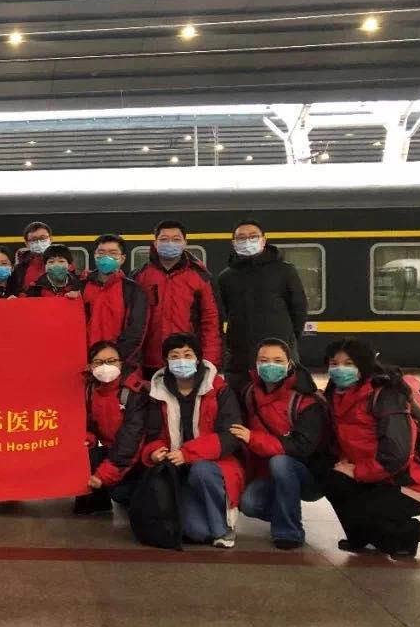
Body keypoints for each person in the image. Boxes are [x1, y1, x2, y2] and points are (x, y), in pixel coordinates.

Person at [322, 337, 420, 557]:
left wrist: (357, 472)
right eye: (334, 364)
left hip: (407, 483)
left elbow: (397, 454)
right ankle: (360, 538)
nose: (339, 369)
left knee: (365, 512)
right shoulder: (336, 396)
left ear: (364, 365)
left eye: (348, 364)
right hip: (374, 477)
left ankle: (409, 534)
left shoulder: (385, 396)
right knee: (333, 480)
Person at [140, 333, 244, 548]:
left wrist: (187, 454)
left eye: (187, 355)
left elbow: (230, 435)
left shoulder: (219, 389)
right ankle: (205, 519)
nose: (181, 360)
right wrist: (154, 451)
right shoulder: (157, 391)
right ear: (166, 361)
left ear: (198, 359)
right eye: (174, 356)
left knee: (201, 470)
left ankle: (223, 528)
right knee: (196, 532)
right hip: (178, 470)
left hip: (214, 465)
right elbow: (152, 434)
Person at [235, 338, 331, 549]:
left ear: (289, 364)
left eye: (278, 360)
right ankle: (286, 512)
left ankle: (289, 532)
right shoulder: (249, 394)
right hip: (269, 474)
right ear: (255, 364)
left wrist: (254, 438)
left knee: (280, 462)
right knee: (249, 503)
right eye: (264, 360)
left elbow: (301, 447)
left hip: (308, 473)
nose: (270, 365)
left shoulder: (306, 400)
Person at [217, 219, 308, 391]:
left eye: (253, 236)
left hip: (279, 353)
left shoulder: (285, 271)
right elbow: (224, 313)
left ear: (264, 240)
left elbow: (299, 310)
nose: (247, 241)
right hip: (240, 357)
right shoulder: (226, 277)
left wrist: (288, 340)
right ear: (234, 243)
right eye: (241, 238)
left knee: (284, 397)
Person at [134, 220, 222, 379]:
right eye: (164, 239)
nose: (170, 243)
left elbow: (211, 322)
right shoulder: (140, 276)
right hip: (149, 364)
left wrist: (210, 362)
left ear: (185, 243)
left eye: (176, 239)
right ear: (155, 243)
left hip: (187, 362)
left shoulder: (201, 277)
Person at [75, 341, 150, 515]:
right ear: (90, 366)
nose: (105, 366)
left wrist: (104, 474)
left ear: (121, 363)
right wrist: (87, 439)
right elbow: (88, 425)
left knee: (121, 493)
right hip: (111, 450)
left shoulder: (136, 392)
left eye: (111, 361)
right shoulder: (90, 390)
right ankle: (97, 503)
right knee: (84, 454)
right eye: (99, 362)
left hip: (139, 458)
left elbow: (131, 440)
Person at [79, 234, 148, 367]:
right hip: (87, 363)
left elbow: (136, 331)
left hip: (120, 363)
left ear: (122, 258)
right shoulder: (80, 287)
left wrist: (116, 360)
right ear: (95, 256)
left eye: (113, 253)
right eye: (101, 253)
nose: (106, 257)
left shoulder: (133, 290)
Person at [13, 221, 54, 290]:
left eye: (42, 238)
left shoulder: (64, 263)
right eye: (34, 240)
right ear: (26, 243)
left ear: (51, 239)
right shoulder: (19, 268)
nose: (39, 243)